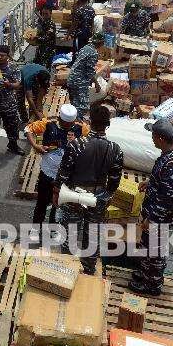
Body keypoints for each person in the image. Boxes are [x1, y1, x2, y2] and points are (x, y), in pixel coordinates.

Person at [54, 105, 123, 274]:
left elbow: (63, 174)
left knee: (69, 236)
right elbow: (114, 181)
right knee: (92, 237)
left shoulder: (76, 145)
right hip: (98, 197)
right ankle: (88, 270)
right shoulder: (115, 149)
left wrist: (56, 193)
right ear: (107, 124)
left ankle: (66, 270)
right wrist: (106, 197)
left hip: (73, 196)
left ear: (89, 121)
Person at [129, 119, 173, 296]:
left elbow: (167, 199)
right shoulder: (172, 153)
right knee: (147, 246)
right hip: (155, 213)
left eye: (154, 135)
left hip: (160, 218)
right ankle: (144, 273)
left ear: (161, 139)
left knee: (155, 252)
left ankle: (152, 285)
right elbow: (165, 184)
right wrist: (151, 182)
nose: (152, 139)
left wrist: (152, 219)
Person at [26, 105, 88, 234]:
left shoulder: (81, 128)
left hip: (67, 176)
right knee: (42, 202)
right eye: (64, 124)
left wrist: (78, 143)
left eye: (69, 124)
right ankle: (36, 228)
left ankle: (53, 229)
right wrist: (35, 145)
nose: (67, 127)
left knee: (60, 203)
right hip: (47, 172)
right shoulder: (48, 123)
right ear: (59, 118)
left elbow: (92, 141)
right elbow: (28, 129)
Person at [0, 45, 24, 165]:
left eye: (2, 55)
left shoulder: (13, 68)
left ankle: (13, 145)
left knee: (13, 126)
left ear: (8, 56)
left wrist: (9, 85)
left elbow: (18, 84)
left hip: (9, 104)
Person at [66, 32, 103, 119]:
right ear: (100, 43)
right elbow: (89, 72)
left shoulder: (85, 48)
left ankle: (70, 122)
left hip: (71, 78)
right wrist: (97, 84)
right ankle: (76, 124)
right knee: (82, 106)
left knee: (74, 103)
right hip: (79, 81)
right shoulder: (93, 53)